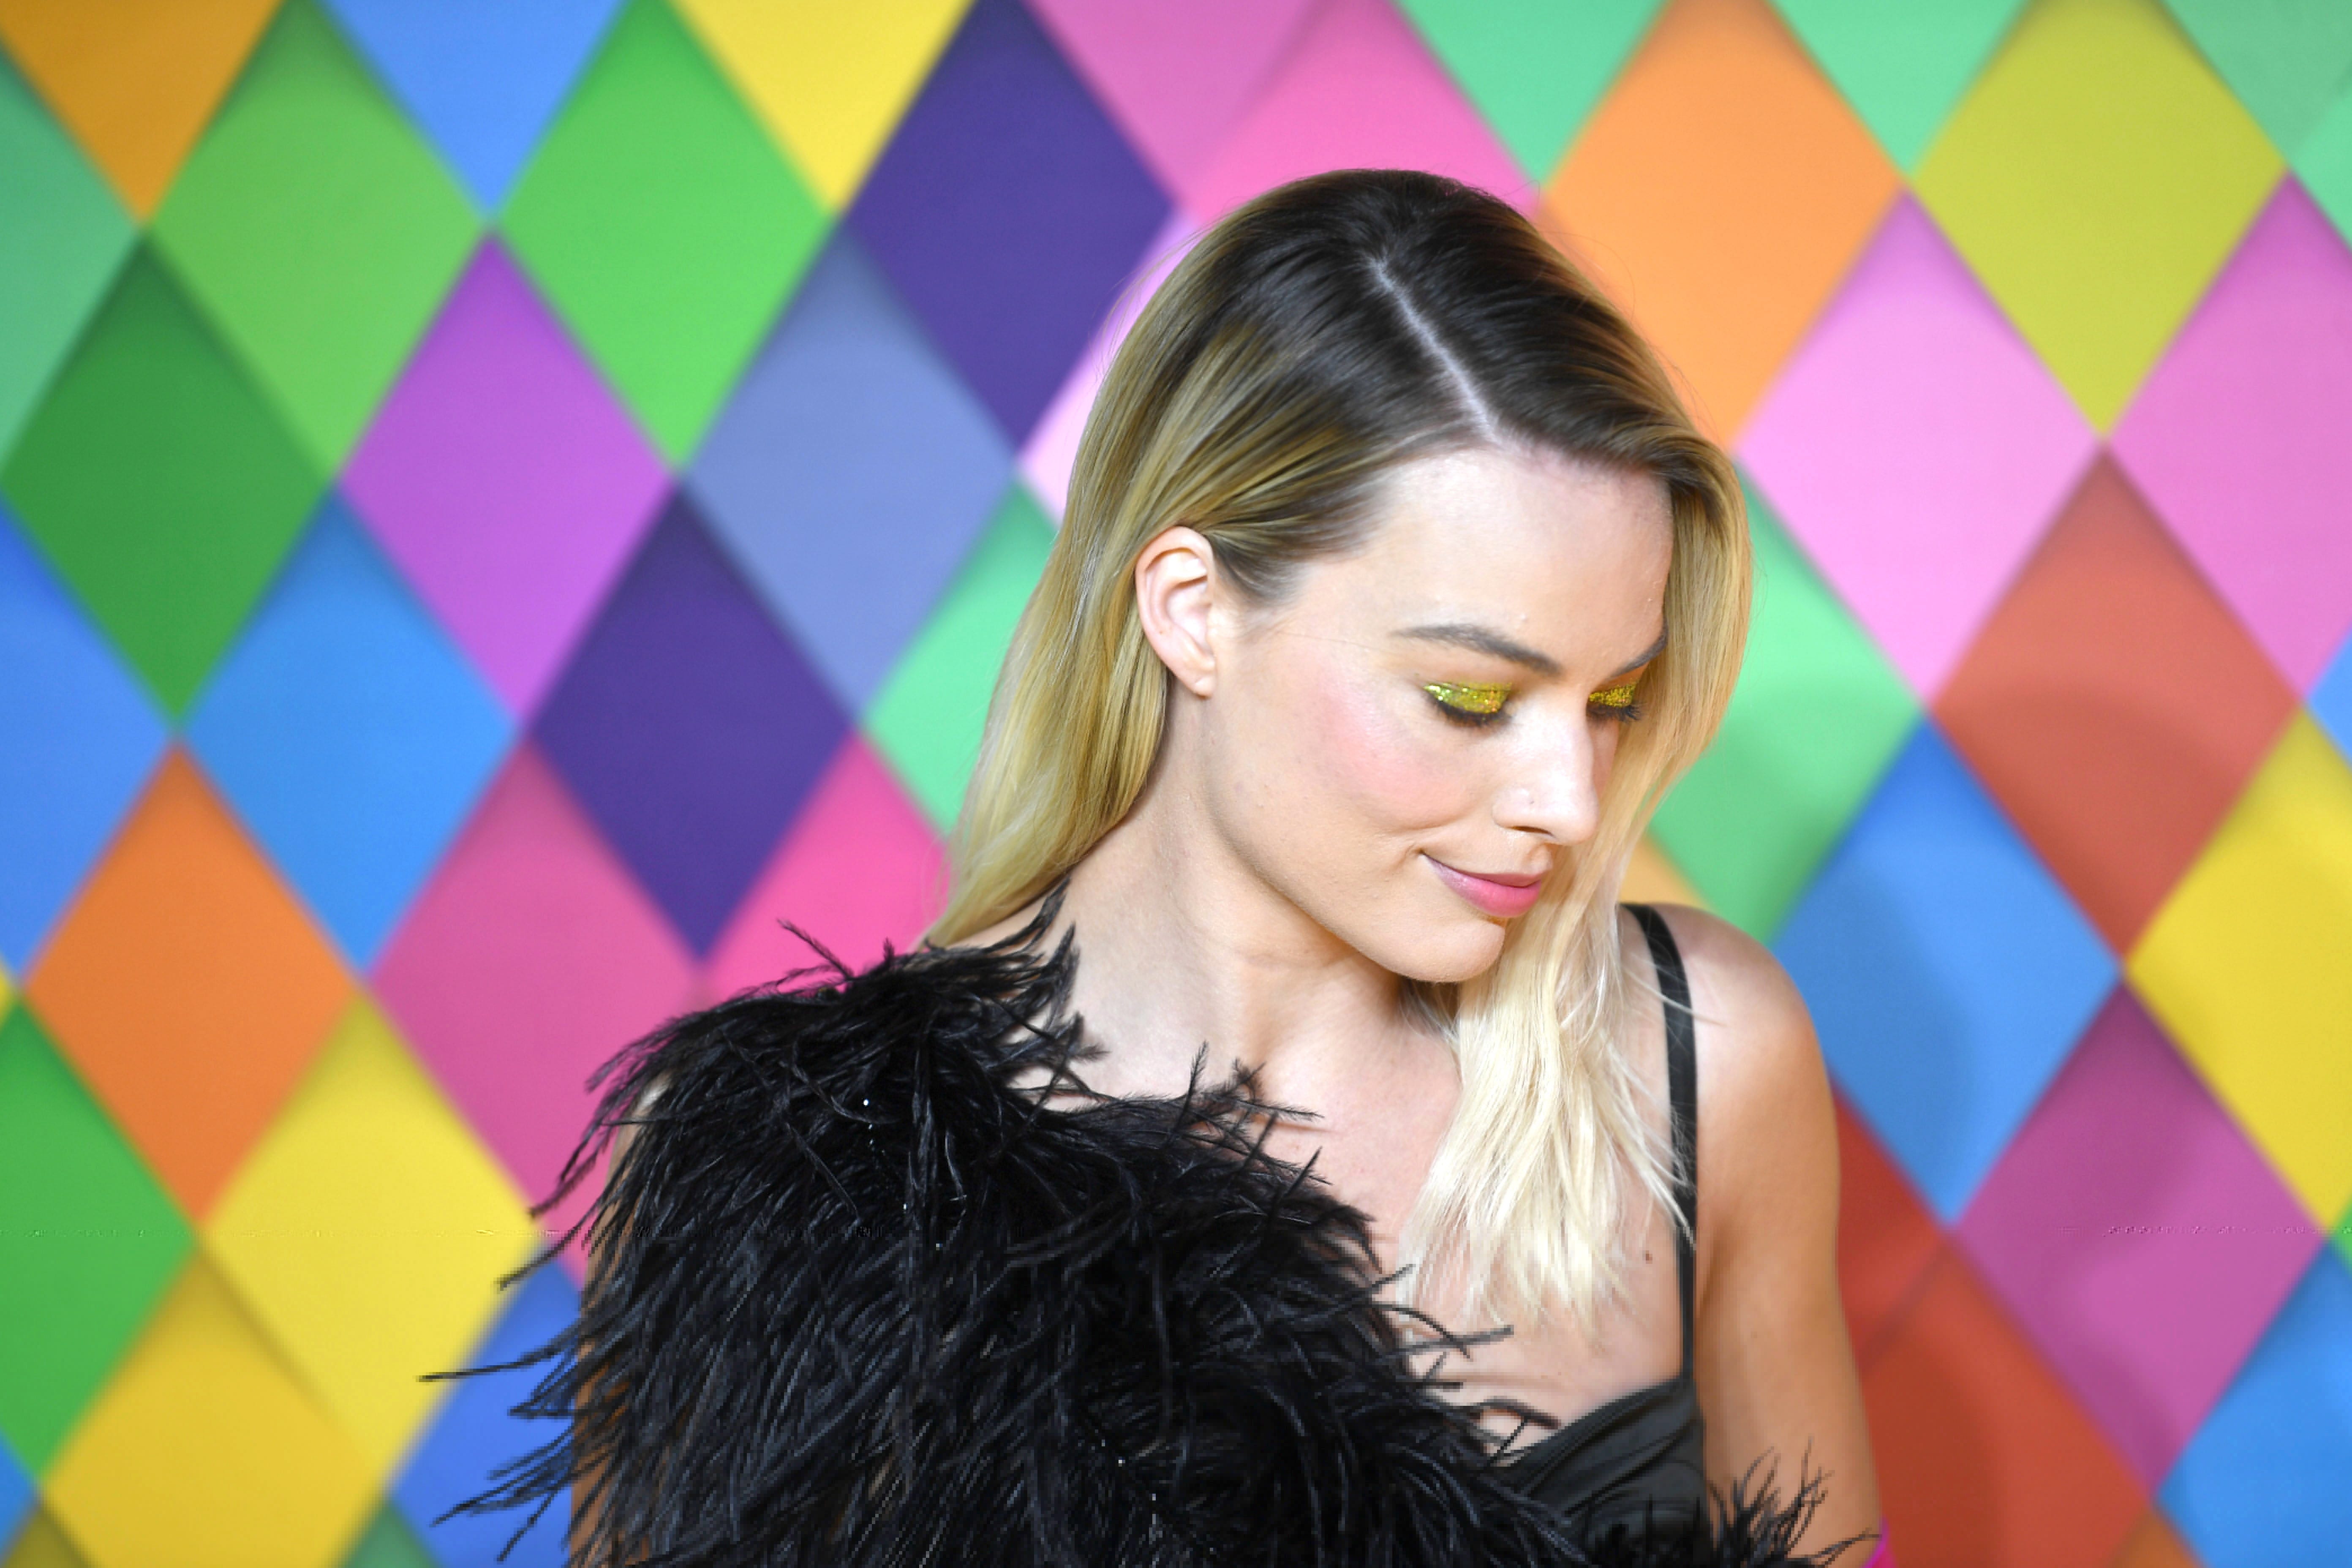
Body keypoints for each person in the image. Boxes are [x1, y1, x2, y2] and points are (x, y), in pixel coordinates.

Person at [449, 169, 1884, 1566]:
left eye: (1614, 698)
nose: (1570, 801)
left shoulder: (1700, 1061)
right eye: (1469, 699)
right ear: (1194, 612)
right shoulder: (811, 1172)